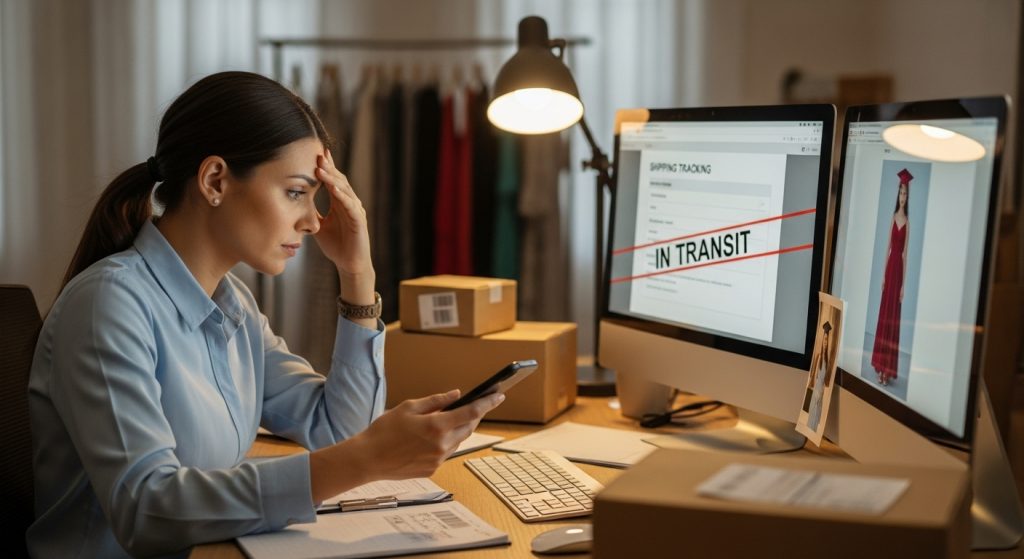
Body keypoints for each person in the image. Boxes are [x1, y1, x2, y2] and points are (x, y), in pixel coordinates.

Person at [25, 71, 503, 558]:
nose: (315, 221)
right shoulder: (109, 304)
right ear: (215, 180)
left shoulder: (232, 304)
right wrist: (362, 460)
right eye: (297, 192)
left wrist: (357, 272)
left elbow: (338, 428)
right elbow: (146, 507)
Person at [871, 168, 913, 386]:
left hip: (898, 271)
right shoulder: (893, 218)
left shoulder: (908, 222)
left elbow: (904, 255)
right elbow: (888, 248)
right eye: (900, 193)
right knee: (884, 316)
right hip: (890, 270)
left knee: (893, 319)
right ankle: (879, 367)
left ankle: (887, 371)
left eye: (905, 194)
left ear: (908, 196)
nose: (902, 197)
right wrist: (883, 276)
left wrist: (903, 286)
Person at [806, 320, 833, 432]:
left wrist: (819, 393)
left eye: (827, 339)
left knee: (817, 413)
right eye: (824, 339)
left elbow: (825, 382)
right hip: (815, 391)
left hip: (820, 393)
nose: (825, 342)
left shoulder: (827, 361)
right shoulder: (819, 357)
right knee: (812, 412)